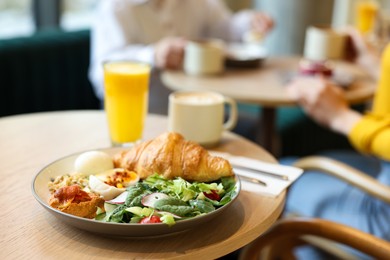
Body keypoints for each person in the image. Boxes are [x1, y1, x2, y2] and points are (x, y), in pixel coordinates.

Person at [282, 28, 390, 259]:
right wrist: (375, 64)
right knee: (322, 158)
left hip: (384, 216)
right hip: (383, 169)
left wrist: (342, 117)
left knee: (281, 177)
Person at [88, 0, 274, 104]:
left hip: (198, 110)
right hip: (143, 121)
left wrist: (248, 23)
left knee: (255, 130)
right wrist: (152, 56)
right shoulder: (114, 7)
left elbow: (225, 29)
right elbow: (100, 74)